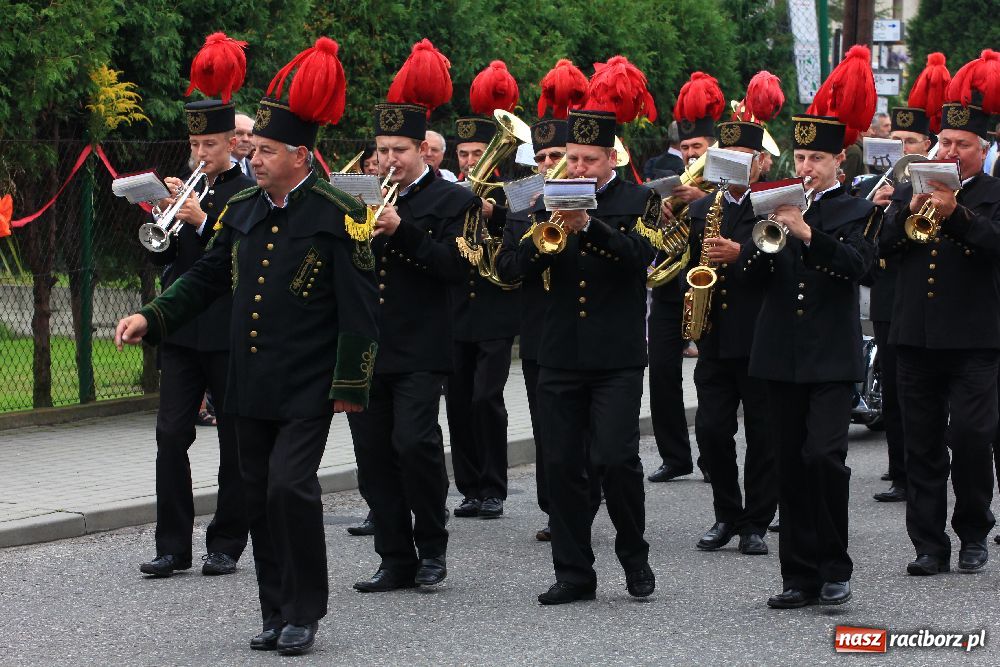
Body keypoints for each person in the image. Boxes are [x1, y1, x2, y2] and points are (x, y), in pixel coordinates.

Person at [116, 38, 379, 656]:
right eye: (252, 150)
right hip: (248, 383)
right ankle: (275, 610)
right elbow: (205, 279)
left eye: (265, 151)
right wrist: (151, 317)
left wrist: (351, 384)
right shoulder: (239, 210)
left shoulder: (339, 215)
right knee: (260, 493)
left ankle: (305, 609)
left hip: (309, 383)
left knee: (292, 487)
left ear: (299, 155)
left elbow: (362, 311)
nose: (253, 160)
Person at [518, 66, 660, 604]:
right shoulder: (540, 201)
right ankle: (574, 572)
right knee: (561, 465)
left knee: (616, 458)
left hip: (616, 355)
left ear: (610, 160)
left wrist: (591, 227)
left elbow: (641, 258)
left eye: (588, 160)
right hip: (557, 353)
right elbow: (512, 267)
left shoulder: (636, 202)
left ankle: (634, 554)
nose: (576, 166)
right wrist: (541, 236)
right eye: (571, 158)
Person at [347, 39, 477, 593]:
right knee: (371, 455)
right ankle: (393, 554)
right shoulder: (361, 197)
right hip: (361, 343)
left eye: (400, 149)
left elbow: (455, 268)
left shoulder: (453, 202)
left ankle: (433, 546)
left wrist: (403, 231)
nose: (389, 160)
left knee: (415, 445)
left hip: (421, 344)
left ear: (425, 150)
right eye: (382, 150)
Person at [752, 46, 878, 609]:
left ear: (837, 166)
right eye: (800, 157)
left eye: (815, 160)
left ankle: (835, 565)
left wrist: (805, 232)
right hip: (779, 353)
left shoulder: (855, 209)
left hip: (830, 355)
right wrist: (747, 245)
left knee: (823, 457)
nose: (804, 168)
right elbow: (757, 277)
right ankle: (798, 575)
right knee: (786, 461)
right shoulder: (773, 207)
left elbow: (858, 267)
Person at [878, 49, 1000, 577]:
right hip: (915, 337)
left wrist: (957, 214)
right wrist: (903, 209)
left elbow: (993, 245)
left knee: (971, 438)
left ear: (982, 150)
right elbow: (883, 248)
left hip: (975, 339)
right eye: (944, 142)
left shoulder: (994, 193)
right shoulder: (910, 190)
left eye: (961, 144)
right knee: (920, 444)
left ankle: (974, 529)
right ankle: (928, 544)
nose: (950, 150)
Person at [137, 34, 253, 581]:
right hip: (183, 332)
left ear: (231, 142)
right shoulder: (188, 191)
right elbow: (171, 258)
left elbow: (237, 260)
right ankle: (172, 545)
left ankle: (227, 541)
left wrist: (202, 223)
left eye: (210, 145)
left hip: (229, 330)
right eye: (196, 144)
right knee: (169, 436)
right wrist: (168, 211)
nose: (201, 154)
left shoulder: (247, 194)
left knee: (234, 437)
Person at [688, 71, 782, 558]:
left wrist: (739, 255)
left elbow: (780, 266)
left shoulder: (773, 205)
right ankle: (727, 513)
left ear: (761, 162)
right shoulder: (703, 207)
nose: (730, 166)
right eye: (723, 158)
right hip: (715, 336)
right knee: (710, 431)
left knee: (763, 434)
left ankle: (756, 521)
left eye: (742, 157)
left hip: (761, 334)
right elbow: (687, 265)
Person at [868, 52, 950, 504]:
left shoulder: (937, 183)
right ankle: (900, 470)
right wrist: (879, 207)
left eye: (911, 140)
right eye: (897, 141)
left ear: (929, 143)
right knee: (897, 387)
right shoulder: (876, 183)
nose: (903, 149)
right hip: (889, 295)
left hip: (931, 296)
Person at [447, 62, 521, 521]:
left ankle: (494, 486)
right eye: (465, 155)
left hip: (495, 309)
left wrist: (491, 213)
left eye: (477, 154)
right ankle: (469, 486)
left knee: (485, 399)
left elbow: (521, 237)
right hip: (456, 311)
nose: (470, 163)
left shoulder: (514, 192)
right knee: (457, 402)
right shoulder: (448, 192)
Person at [646, 71, 723, 484]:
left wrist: (703, 201)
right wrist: (661, 210)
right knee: (661, 371)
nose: (691, 155)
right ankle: (674, 456)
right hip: (670, 284)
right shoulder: (671, 179)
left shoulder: (725, 180)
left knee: (710, 373)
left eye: (698, 147)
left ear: (713, 147)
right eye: (687, 147)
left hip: (711, 287)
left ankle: (712, 458)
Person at [497, 116, 565, 541]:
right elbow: (506, 267)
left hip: (588, 332)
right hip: (541, 333)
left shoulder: (597, 199)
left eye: (556, 155)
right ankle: (555, 508)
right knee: (545, 427)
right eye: (540, 157)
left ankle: (585, 495)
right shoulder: (523, 204)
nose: (547, 164)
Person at [233, 112, 256, 181]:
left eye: (250, 135)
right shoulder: (212, 167)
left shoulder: (257, 168)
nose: (246, 139)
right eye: (239, 133)